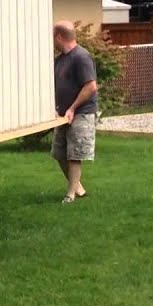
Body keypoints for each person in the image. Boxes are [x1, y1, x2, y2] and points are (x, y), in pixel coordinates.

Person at [51, 21, 98, 204]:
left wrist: (72, 108)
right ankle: (78, 188)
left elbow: (91, 87)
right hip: (63, 115)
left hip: (81, 113)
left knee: (75, 155)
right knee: (60, 153)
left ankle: (70, 194)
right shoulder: (60, 59)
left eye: (52, 36)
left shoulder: (81, 57)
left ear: (59, 37)